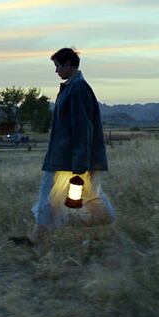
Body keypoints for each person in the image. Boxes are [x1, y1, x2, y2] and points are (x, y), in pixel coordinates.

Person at [26, 47, 115, 244]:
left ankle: (37, 237)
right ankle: (39, 235)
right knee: (80, 194)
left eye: (58, 66)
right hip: (64, 155)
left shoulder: (78, 89)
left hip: (67, 157)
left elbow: (82, 127)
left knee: (51, 194)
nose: (56, 70)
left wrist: (80, 163)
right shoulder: (72, 87)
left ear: (68, 64)